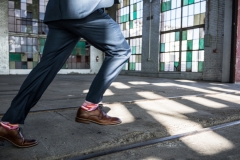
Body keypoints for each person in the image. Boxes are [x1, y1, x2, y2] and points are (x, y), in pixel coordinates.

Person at [0, 0, 131, 148]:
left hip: (57, 12)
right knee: (120, 51)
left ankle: (9, 124)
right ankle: (90, 108)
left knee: (46, 68)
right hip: (84, 8)